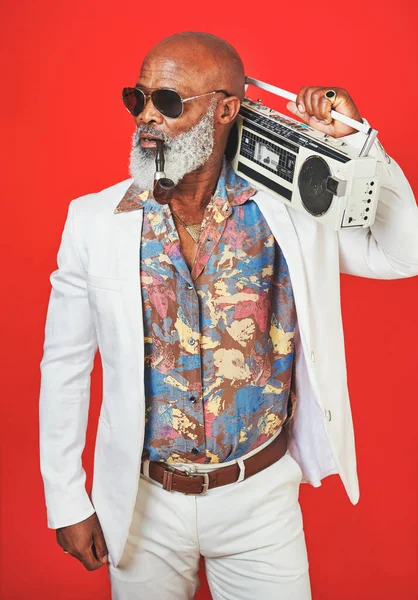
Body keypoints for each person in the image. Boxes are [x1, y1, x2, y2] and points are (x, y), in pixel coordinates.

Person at [39, 31, 418, 600]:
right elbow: (64, 366)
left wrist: (359, 146)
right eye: (136, 99)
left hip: (258, 500)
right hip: (143, 501)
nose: (146, 116)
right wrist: (66, 496)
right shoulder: (93, 221)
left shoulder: (292, 212)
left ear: (226, 109)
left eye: (168, 103)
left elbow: (402, 252)